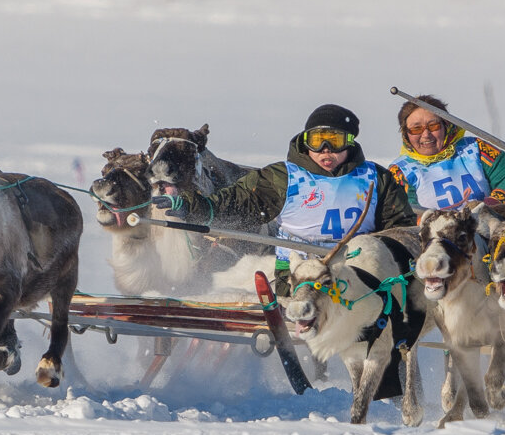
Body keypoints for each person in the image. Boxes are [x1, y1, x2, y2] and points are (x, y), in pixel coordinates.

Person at [154, 103, 414, 295]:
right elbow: (233, 202)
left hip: (357, 273)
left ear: (350, 143)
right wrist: (191, 206)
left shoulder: (374, 177)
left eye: (334, 141)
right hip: (295, 274)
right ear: (305, 142)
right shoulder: (283, 177)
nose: (325, 150)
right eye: (317, 141)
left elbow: (399, 229)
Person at [387, 98, 505, 213]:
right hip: (433, 241)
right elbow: (403, 211)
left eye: (433, 126)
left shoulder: (475, 149)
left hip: (487, 228)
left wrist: (492, 206)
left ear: (446, 126)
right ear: (406, 134)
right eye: (416, 129)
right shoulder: (400, 172)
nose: (426, 135)